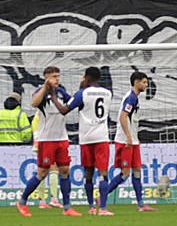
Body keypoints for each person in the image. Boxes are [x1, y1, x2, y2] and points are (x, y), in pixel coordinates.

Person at [17, 66, 80, 217]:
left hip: (62, 139)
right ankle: (22, 201)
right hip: (46, 139)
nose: (57, 79)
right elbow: (34, 103)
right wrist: (45, 88)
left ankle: (67, 207)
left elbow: (71, 103)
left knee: (64, 171)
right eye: (54, 76)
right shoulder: (41, 93)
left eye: (58, 76)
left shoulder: (60, 92)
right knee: (42, 172)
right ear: (46, 78)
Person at [100, 71, 156, 211]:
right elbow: (123, 116)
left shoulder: (134, 98)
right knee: (125, 173)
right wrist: (129, 136)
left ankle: (141, 204)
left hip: (133, 140)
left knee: (137, 170)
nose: (146, 84)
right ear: (136, 82)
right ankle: (102, 197)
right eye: (144, 82)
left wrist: (134, 137)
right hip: (125, 141)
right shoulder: (131, 98)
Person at [71, 67, 120, 215]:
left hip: (86, 137)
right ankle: (103, 208)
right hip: (101, 136)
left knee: (88, 173)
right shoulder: (108, 93)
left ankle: (91, 206)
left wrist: (81, 87)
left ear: (86, 77)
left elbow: (70, 106)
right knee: (103, 173)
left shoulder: (82, 93)